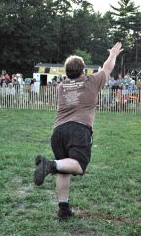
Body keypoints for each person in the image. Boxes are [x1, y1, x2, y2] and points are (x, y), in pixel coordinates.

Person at [33, 42, 123, 219]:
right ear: (84, 70)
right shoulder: (91, 82)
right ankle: (49, 165)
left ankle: (63, 209)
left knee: (64, 168)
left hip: (58, 131)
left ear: (66, 72)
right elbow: (107, 68)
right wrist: (113, 54)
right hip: (79, 129)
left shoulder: (61, 87)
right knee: (78, 166)